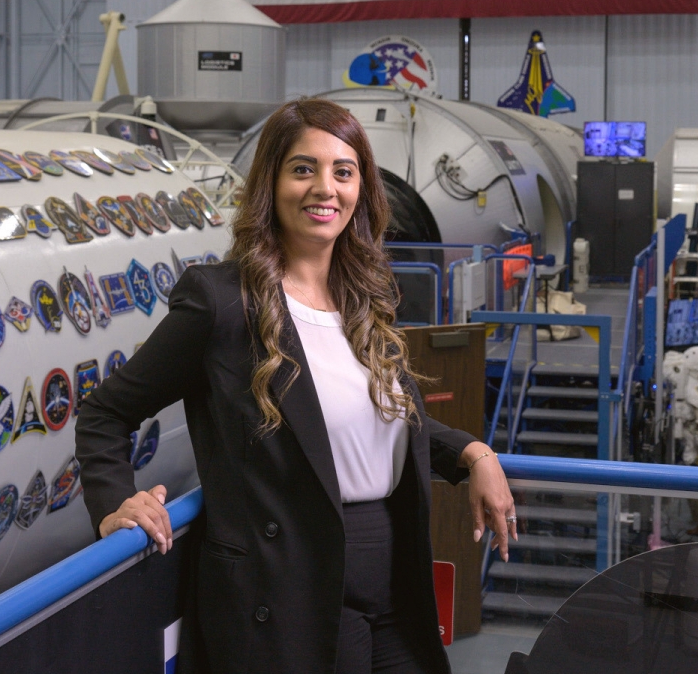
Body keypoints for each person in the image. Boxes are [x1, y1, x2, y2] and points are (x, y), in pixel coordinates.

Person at [76, 98, 515, 674]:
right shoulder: (222, 302)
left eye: (344, 171)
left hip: (394, 571)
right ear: (271, 183)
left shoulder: (366, 297)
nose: (324, 188)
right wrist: (114, 504)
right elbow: (104, 412)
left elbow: (371, 424)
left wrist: (471, 452)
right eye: (303, 168)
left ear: (362, 189)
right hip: (291, 585)